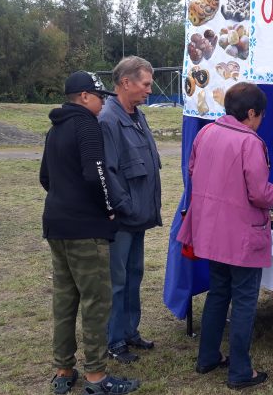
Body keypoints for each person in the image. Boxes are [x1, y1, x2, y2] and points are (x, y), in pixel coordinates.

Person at [177, 82, 273, 390]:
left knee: (218, 294)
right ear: (251, 113)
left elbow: (193, 173)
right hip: (242, 236)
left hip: (211, 232)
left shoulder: (206, 133)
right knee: (245, 301)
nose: (261, 122)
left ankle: (208, 356)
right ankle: (240, 371)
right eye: (260, 116)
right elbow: (259, 194)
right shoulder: (251, 142)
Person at [40, 71, 140, 394]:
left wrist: (64, 198)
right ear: (84, 97)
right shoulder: (87, 125)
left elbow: (45, 177)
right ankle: (97, 377)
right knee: (96, 301)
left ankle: (64, 369)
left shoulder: (54, 128)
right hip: (85, 229)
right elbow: (96, 175)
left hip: (56, 226)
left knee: (65, 299)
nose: (102, 103)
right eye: (99, 97)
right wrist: (108, 208)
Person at [99, 56, 161, 364]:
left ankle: (129, 331)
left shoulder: (137, 115)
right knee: (117, 281)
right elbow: (107, 173)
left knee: (134, 275)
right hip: (123, 218)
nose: (150, 90)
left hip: (139, 216)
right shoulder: (108, 120)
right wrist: (124, 206)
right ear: (126, 83)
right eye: (146, 84)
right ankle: (114, 339)